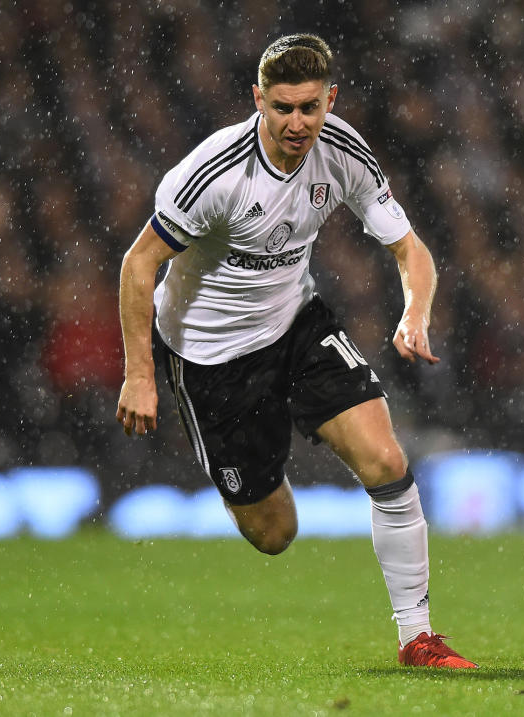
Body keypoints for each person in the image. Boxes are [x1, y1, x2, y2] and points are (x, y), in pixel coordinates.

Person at [116, 34, 476, 669]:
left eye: (310, 107)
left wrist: (415, 312)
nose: (297, 123)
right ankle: (257, 455)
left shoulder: (342, 151)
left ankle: (417, 636)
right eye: (282, 108)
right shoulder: (212, 174)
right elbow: (138, 265)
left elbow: (409, 248)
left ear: (329, 99)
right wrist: (139, 375)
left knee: (387, 461)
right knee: (274, 534)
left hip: (296, 327)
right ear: (258, 100)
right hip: (210, 357)